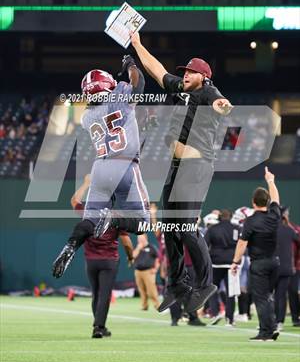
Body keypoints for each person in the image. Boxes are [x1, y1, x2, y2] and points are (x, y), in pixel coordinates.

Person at [130, 31, 233, 313]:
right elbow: (157, 70)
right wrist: (138, 44)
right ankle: (177, 284)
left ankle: (205, 284)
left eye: (191, 72)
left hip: (197, 165)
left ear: (204, 77)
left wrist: (223, 107)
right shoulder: (181, 90)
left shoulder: (208, 91)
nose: (185, 74)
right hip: (177, 167)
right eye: (185, 71)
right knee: (171, 229)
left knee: (186, 227)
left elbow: (221, 104)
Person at [52, 55, 150, 278]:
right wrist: (130, 65)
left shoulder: (87, 117)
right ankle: (113, 218)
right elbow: (139, 84)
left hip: (100, 167)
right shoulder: (119, 95)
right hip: (125, 165)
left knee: (89, 220)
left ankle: (70, 246)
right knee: (143, 223)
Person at [70, 173, 134, 338]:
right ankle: (98, 327)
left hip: (91, 261)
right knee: (105, 294)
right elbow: (126, 242)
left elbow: (74, 201)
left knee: (96, 293)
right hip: (109, 261)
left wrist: (86, 184)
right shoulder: (116, 217)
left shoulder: (88, 214)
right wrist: (130, 256)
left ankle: (99, 325)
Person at [231, 167, 281, 341]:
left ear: (253, 202)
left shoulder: (251, 221)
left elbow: (242, 243)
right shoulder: (274, 215)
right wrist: (270, 181)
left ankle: (266, 331)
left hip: (259, 263)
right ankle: (271, 326)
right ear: (267, 202)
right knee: (267, 296)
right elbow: (275, 199)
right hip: (275, 262)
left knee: (260, 298)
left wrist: (235, 262)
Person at [205, 209, 239, 326]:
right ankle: (230, 319)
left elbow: (204, 245)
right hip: (231, 263)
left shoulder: (212, 229)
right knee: (231, 292)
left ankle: (215, 312)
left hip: (216, 263)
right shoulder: (236, 229)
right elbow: (242, 244)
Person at [274, 207, 300, 330]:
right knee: (281, 295)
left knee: (269, 295)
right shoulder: (289, 231)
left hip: (271, 266)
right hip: (286, 267)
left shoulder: (270, 230)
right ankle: (279, 322)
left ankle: (271, 320)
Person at [133, 234, 160, 310]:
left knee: (151, 290)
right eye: (138, 239)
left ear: (145, 238)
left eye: (141, 238)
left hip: (148, 271)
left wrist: (155, 269)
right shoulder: (138, 248)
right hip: (138, 271)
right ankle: (144, 306)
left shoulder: (151, 247)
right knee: (141, 290)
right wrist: (138, 248)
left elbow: (158, 259)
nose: (139, 240)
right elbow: (132, 257)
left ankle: (157, 305)